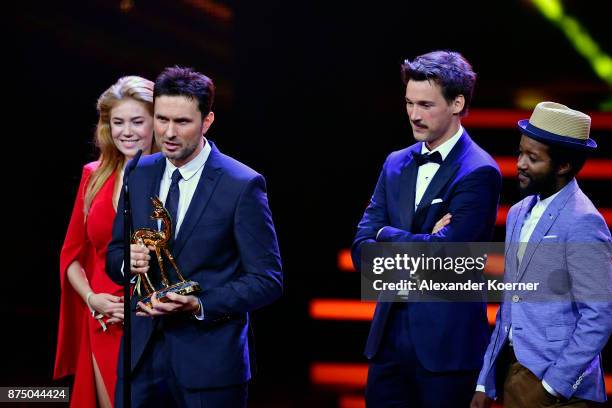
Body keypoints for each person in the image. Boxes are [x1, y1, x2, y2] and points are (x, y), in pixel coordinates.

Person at [106, 66, 283, 408]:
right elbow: (115, 253)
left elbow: (268, 279)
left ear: (207, 120)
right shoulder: (138, 171)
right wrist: (128, 262)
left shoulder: (242, 184)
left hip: (209, 365)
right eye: (161, 119)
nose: (168, 132)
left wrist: (200, 304)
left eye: (182, 122)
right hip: (139, 360)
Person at [351, 50, 502, 407]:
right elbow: (361, 248)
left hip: (445, 347)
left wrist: (387, 237)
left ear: (457, 103)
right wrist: (423, 239)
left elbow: (446, 258)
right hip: (388, 341)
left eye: (425, 104)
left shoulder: (479, 171)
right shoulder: (395, 163)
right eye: (409, 103)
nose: (414, 115)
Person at [471, 102, 612, 408]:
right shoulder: (518, 212)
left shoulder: (583, 221)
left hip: (558, 389)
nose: (519, 163)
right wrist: (485, 379)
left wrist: (553, 387)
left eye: (532, 158)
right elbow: (510, 303)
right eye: (520, 152)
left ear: (563, 166)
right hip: (512, 375)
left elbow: (599, 315)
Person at [54, 76, 156, 408]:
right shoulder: (93, 174)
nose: (127, 131)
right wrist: (91, 299)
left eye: (137, 121)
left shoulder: (174, 177)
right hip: (103, 316)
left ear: (157, 121)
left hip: (155, 321)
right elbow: (72, 255)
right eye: (118, 122)